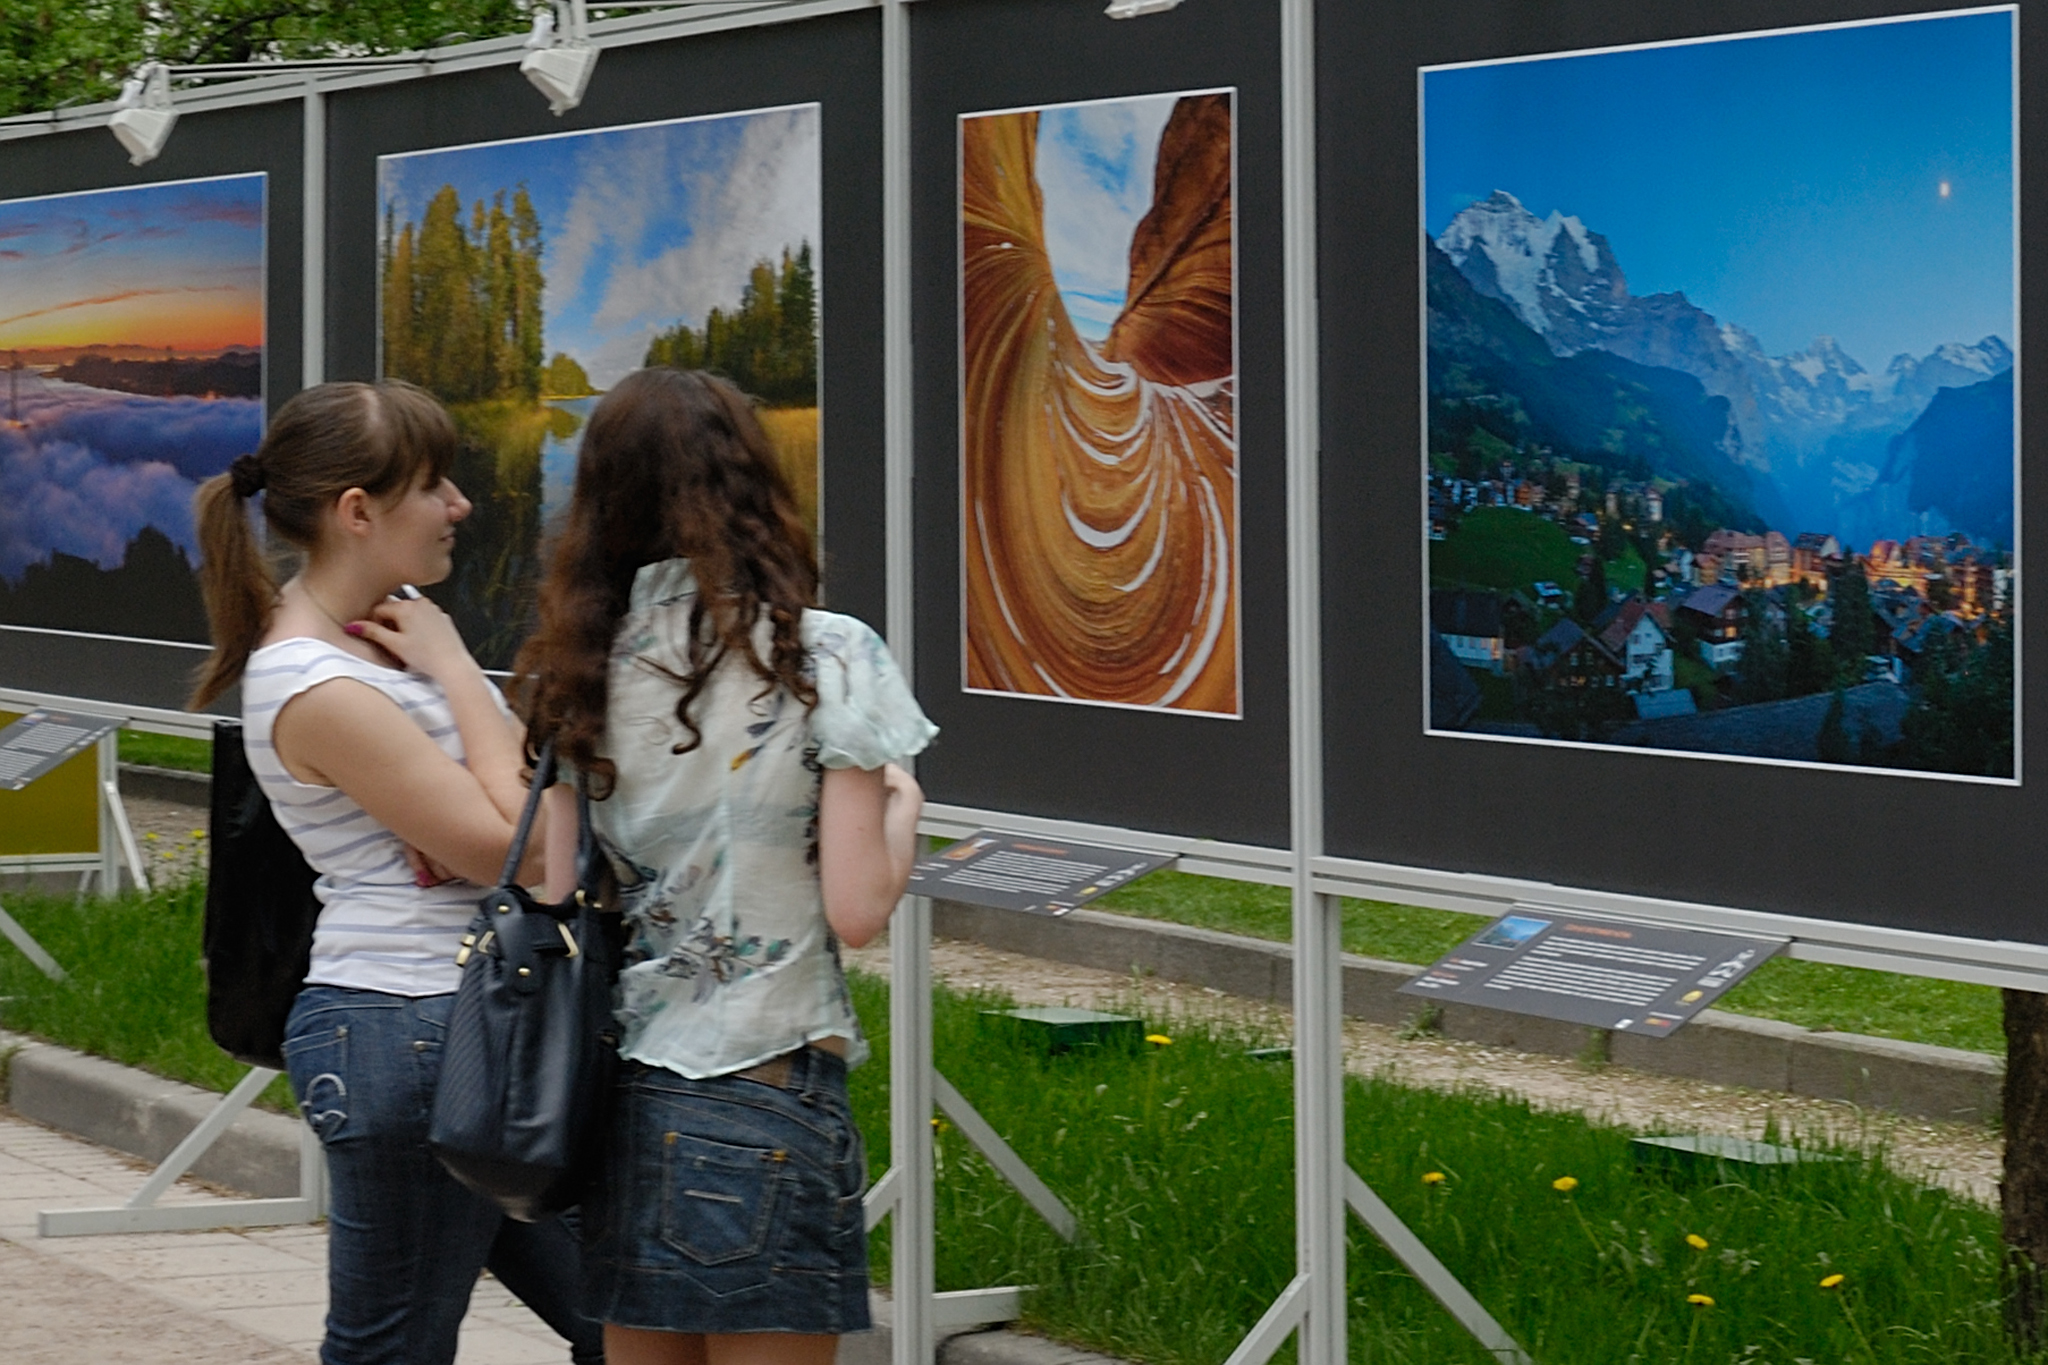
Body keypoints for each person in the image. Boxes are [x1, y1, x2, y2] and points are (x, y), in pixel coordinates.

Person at [516, 367, 934, 1365]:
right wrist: (902, 810)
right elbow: (857, 907)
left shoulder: (572, 669)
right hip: (766, 1087)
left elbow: (551, 889)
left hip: (622, 1101)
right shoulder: (825, 657)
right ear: (754, 486)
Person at [190, 379, 604, 1365]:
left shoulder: (388, 635)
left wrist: (488, 779)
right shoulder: (314, 681)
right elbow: (540, 850)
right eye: (436, 484)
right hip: (408, 1034)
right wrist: (465, 683)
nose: (460, 506)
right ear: (358, 512)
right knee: (395, 1348)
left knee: (632, 1320)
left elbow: (542, 815)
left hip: (478, 1023)